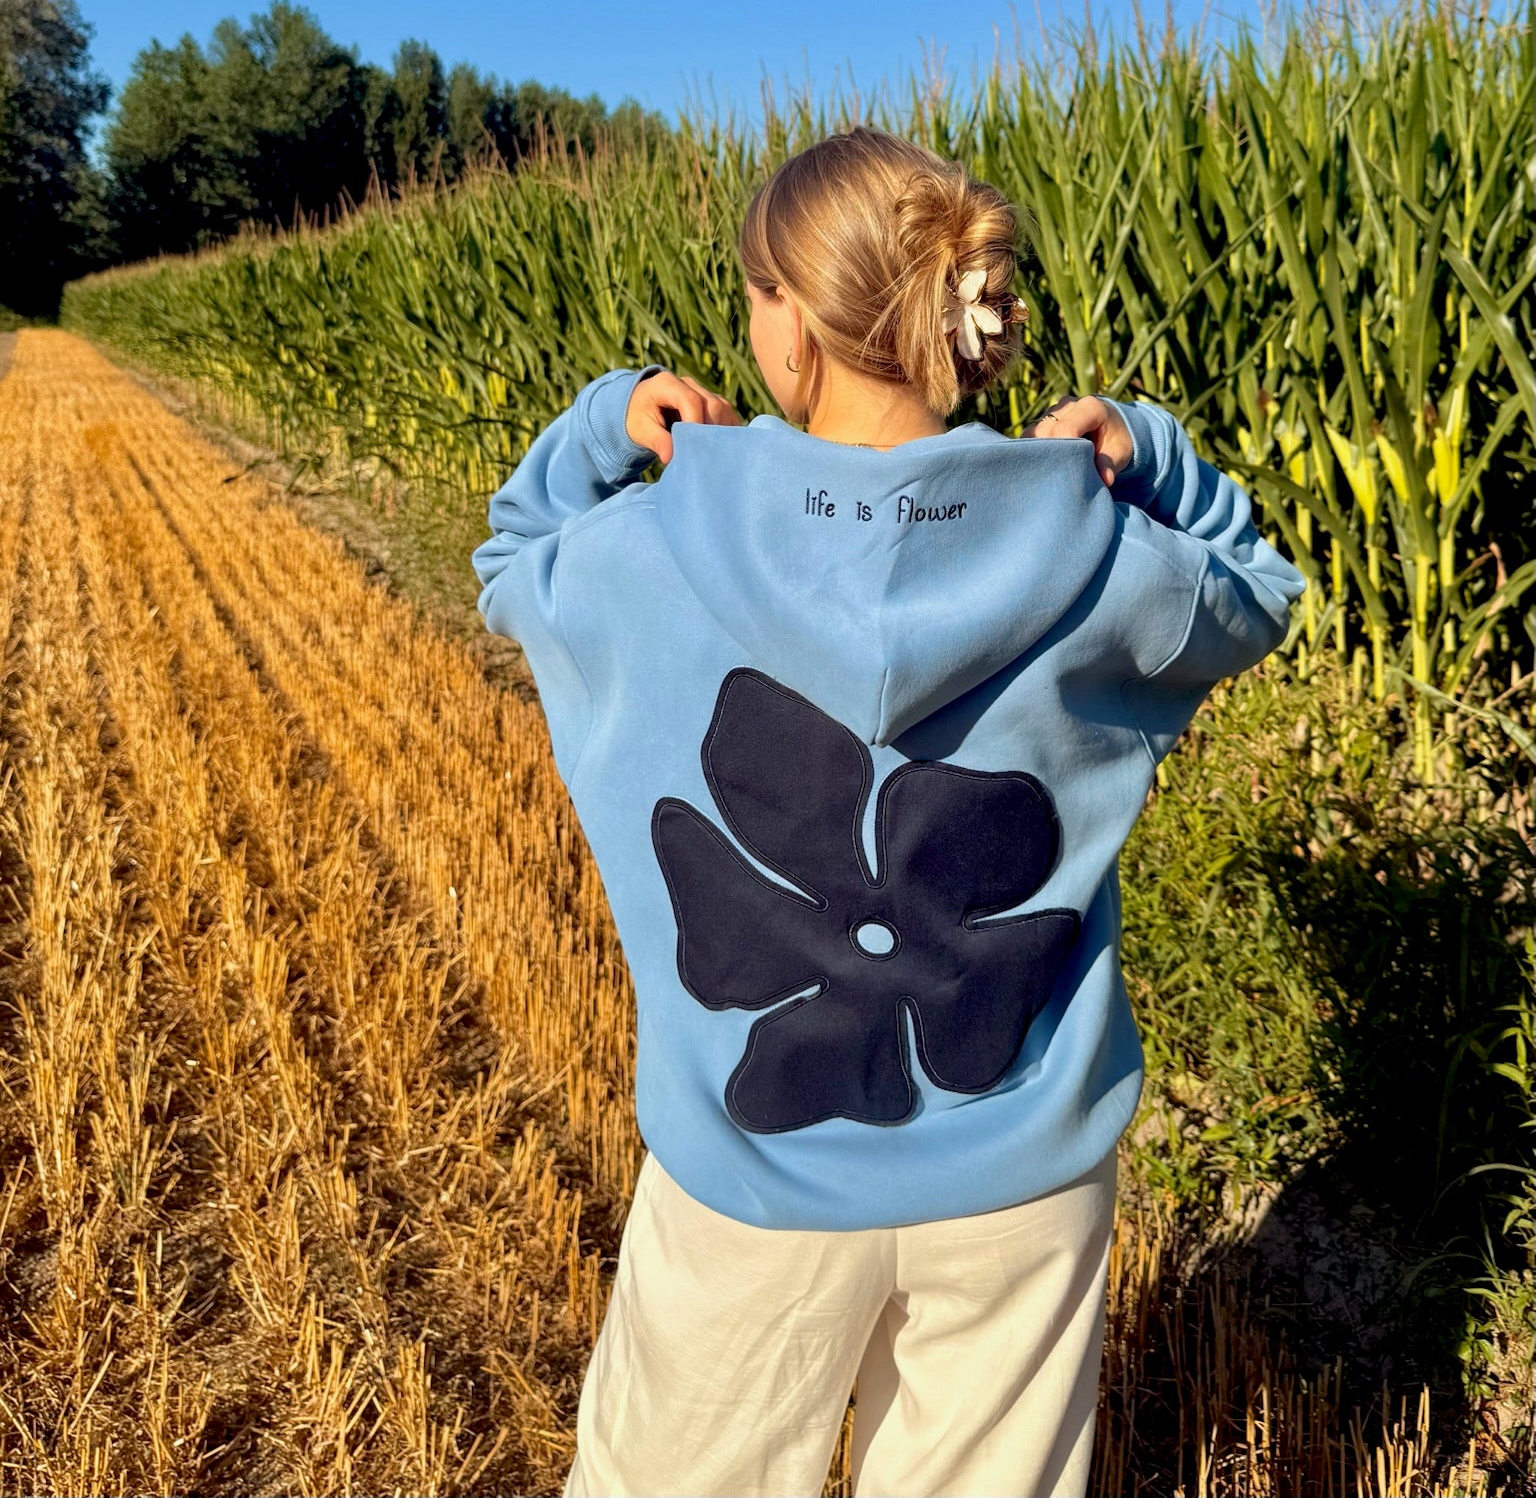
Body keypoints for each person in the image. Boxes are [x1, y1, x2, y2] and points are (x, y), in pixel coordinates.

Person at [472, 125, 1305, 1498]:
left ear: (790, 325)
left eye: (755, 294)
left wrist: (604, 421)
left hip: (758, 1171)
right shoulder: (1098, 547)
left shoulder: (653, 548)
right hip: (1021, 1177)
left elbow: (513, 561)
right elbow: (1257, 590)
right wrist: (1146, 452)